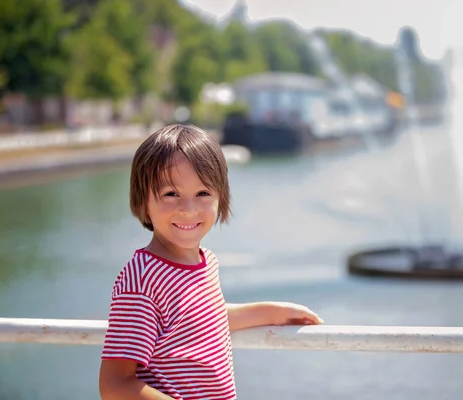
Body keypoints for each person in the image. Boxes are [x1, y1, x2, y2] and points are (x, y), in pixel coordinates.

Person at [99, 124, 323, 400]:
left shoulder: (206, 262)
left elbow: (199, 320)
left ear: (221, 198)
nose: (188, 209)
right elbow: (114, 384)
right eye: (171, 194)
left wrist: (272, 312)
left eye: (203, 193)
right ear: (142, 201)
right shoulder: (142, 279)